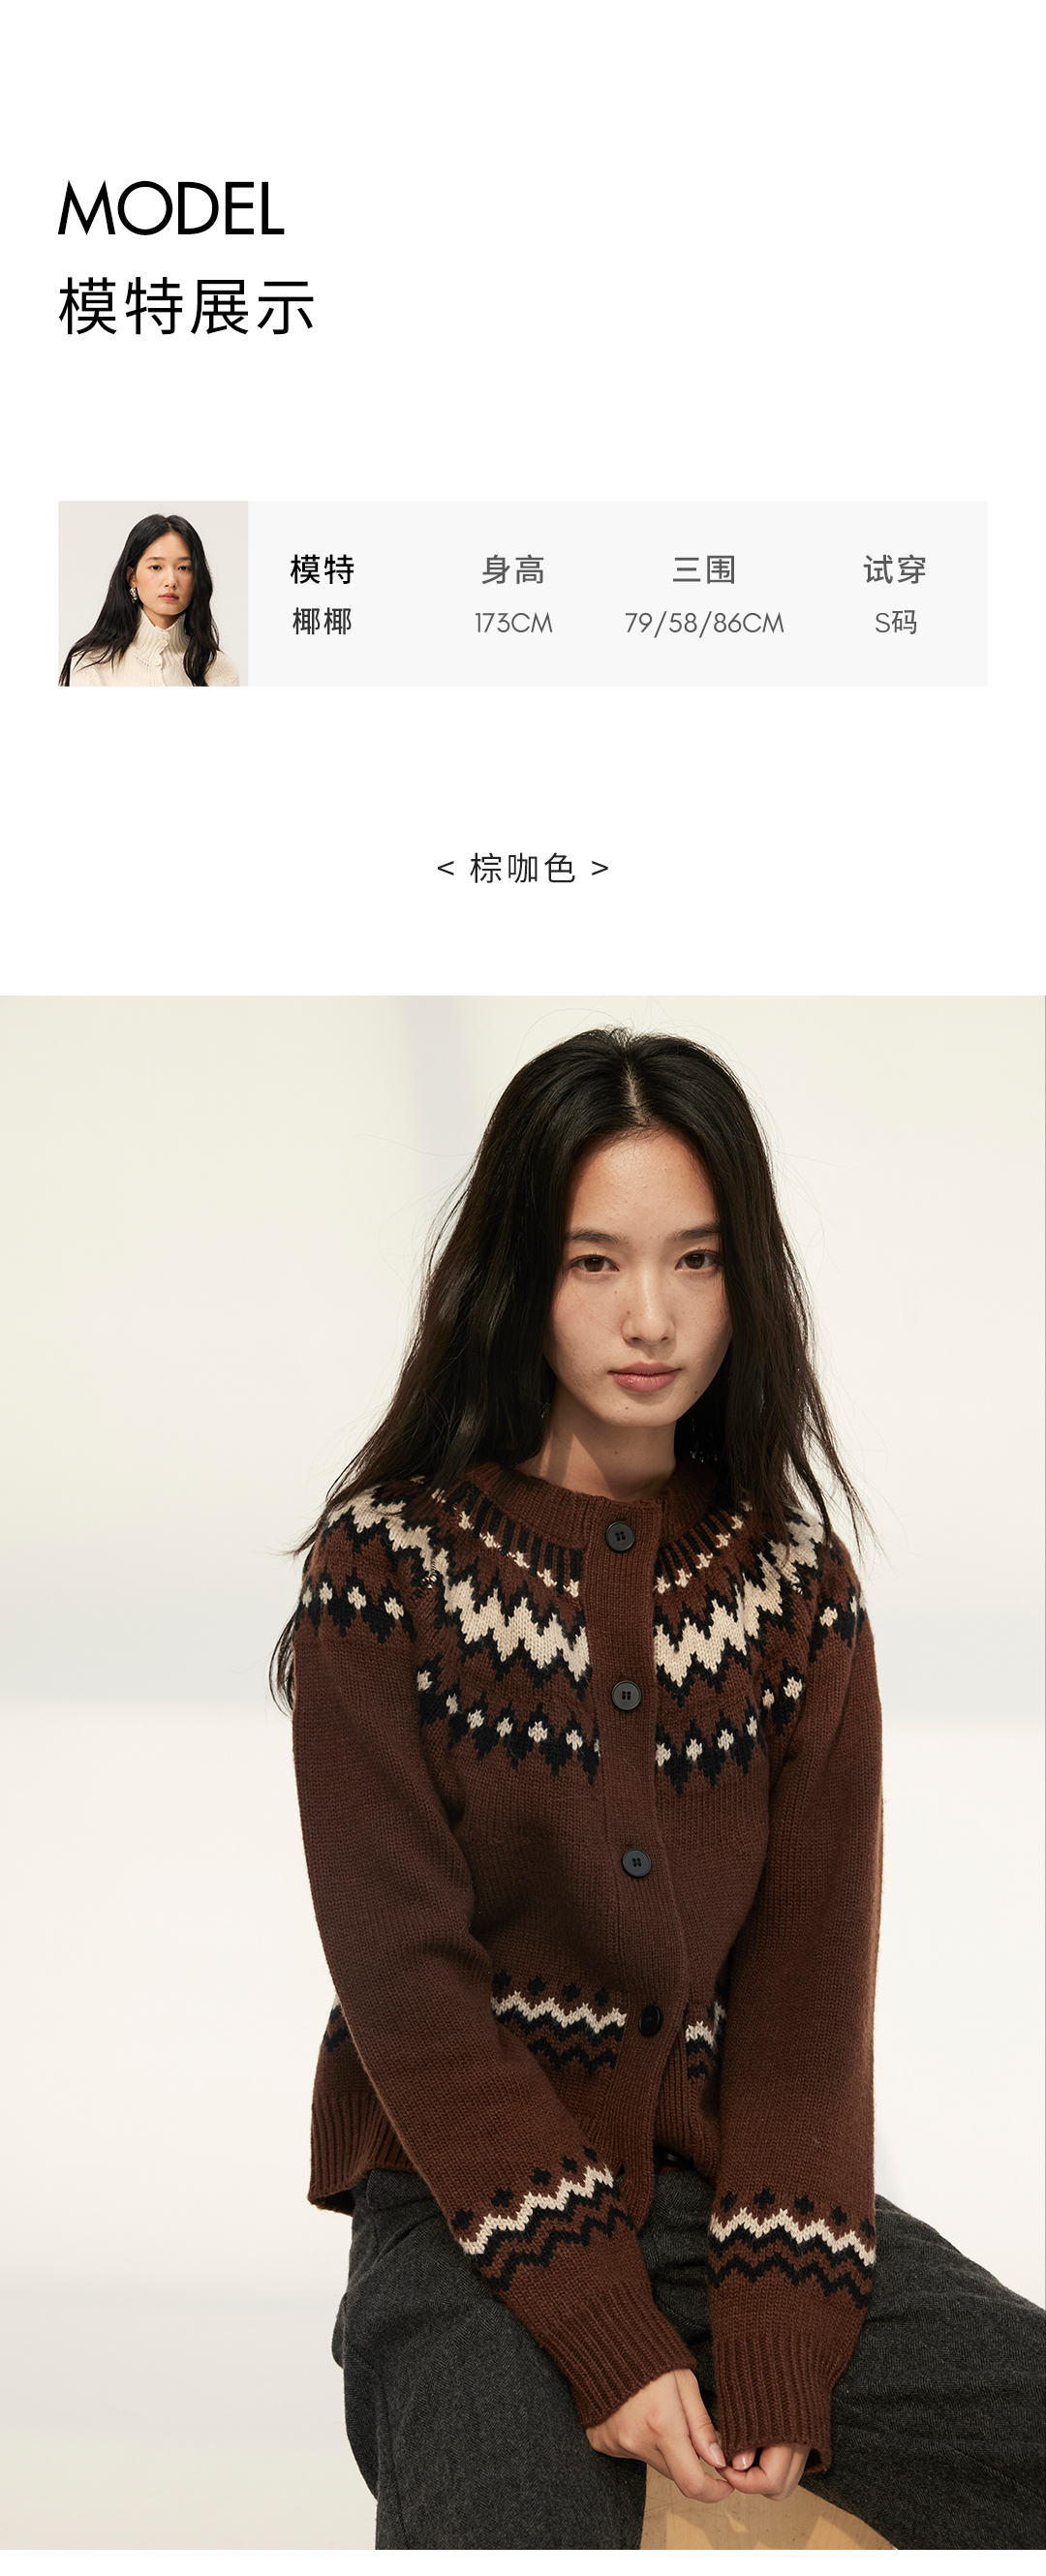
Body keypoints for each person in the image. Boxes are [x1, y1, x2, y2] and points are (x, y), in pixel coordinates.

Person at [276, 1027, 1045, 2551]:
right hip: (459, 2212)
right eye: (595, 1263)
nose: (653, 1315)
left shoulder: (793, 1595)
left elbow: (806, 2017)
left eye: (696, 1260)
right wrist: (601, 2330)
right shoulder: (386, 1572)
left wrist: (780, 2343)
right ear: (520, 1277)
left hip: (721, 2210)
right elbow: (412, 1998)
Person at [59, 513, 238, 686]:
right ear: (132, 577)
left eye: (183, 568)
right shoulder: (91, 665)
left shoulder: (219, 670)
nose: (171, 581)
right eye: (156, 567)